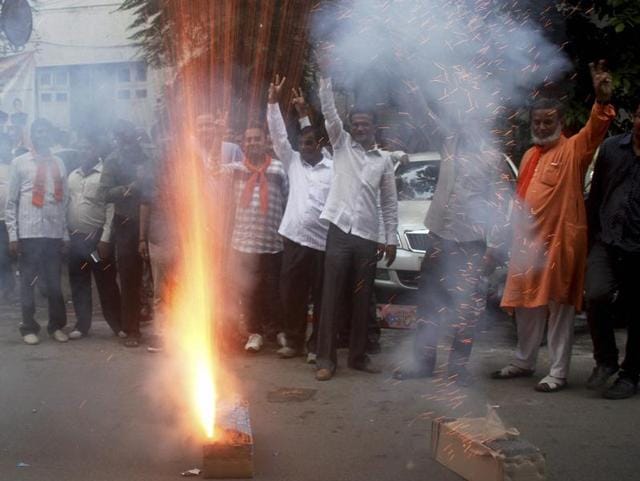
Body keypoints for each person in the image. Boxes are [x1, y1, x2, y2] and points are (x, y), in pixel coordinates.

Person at [492, 61, 615, 392]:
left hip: (558, 243)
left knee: (559, 309)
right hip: (526, 245)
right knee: (526, 307)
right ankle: (523, 361)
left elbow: (595, 130)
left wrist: (602, 103)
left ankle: (558, 373)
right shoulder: (530, 154)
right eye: (537, 121)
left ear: (561, 123)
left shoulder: (574, 148)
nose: (543, 126)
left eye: (549, 121)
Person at [392, 112, 513, 385]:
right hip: (439, 235)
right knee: (428, 302)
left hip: (471, 241)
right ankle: (423, 364)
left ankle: (457, 368)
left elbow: (499, 202)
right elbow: (427, 118)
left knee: (467, 306)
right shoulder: (449, 141)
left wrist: (494, 246)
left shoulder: (490, 156)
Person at [314, 49, 398, 381]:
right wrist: (324, 76)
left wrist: (390, 239)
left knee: (363, 299)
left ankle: (358, 357)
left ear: (375, 128)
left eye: (365, 124)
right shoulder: (341, 144)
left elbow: (389, 205)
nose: (360, 127)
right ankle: (325, 360)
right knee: (331, 298)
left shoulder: (384, 161)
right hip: (338, 233)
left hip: (366, 238)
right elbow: (329, 112)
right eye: (356, 124)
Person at [266, 75, 333, 359]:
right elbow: (279, 135)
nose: (304, 146)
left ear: (319, 145)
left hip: (322, 243)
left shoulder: (333, 167)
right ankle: (293, 341)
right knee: (292, 294)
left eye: (309, 142)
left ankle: (315, 345)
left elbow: (312, 131)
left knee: (319, 297)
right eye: (302, 142)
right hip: (294, 239)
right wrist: (273, 103)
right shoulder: (293, 162)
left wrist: (306, 115)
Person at [583, 101, 640, 399]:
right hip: (606, 239)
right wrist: (589, 237)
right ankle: (605, 361)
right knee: (595, 294)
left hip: (637, 247)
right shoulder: (612, 149)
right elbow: (597, 195)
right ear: (636, 116)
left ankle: (631, 374)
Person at [217, 123, 288, 353]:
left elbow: (288, 202)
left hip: (273, 243)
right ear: (243, 143)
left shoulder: (279, 170)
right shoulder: (235, 169)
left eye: (256, 139)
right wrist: (219, 133)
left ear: (266, 141)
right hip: (243, 243)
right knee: (249, 292)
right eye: (248, 139)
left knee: (274, 291)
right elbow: (210, 167)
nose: (252, 143)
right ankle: (254, 332)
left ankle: (278, 330)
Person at [5, 118, 69, 345]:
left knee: (53, 283)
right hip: (29, 234)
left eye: (46, 132)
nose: (43, 136)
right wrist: (13, 235)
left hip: (52, 233)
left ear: (50, 136)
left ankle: (56, 326)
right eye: (38, 132)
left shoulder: (59, 163)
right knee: (28, 283)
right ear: (32, 136)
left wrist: (64, 234)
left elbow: (64, 203)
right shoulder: (20, 162)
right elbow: (11, 202)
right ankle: (28, 327)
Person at [99, 119, 152, 347]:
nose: (126, 140)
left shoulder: (149, 157)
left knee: (159, 278)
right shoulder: (113, 161)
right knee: (130, 277)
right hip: (127, 225)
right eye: (121, 136)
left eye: (129, 135)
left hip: (155, 222)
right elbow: (104, 193)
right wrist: (130, 187)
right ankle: (131, 330)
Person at [66, 130, 123, 339]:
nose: (83, 150)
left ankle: (117, 324)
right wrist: (66, 235)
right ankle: (82, 325)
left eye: (87, 147)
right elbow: (66, 206)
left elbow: (110, 208)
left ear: (96, 149)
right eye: (80, 147)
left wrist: (105, 238)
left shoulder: (104, 175)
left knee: (106, 281)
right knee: (79, 282)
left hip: (97, 240)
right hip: (76, 238)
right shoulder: (72, 176)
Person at [0, 133, 15, 299]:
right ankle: (7, 285)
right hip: (0, 218)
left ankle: (41, 285)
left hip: (15, 218)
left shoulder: (16, 164)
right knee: (1, 254)